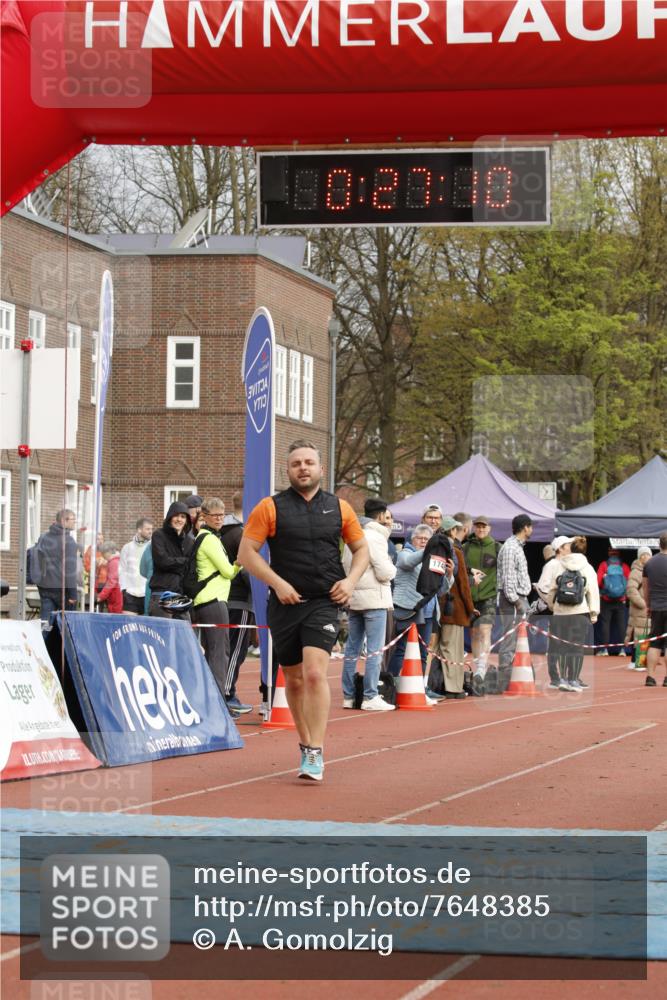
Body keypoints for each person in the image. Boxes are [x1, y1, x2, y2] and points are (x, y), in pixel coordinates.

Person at [239, 439, 368, 782]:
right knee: (293, 679)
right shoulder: (270, 507)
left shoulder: (340, 508)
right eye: (297, 463)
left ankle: (316, 750)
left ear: (320, 469)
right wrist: (277, 583)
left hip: (324, 601)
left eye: (309, 462)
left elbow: (362, 550)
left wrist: (351, 582)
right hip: (284, 603)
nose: (303, 468)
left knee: (314, 673)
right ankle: (305, 742)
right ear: (288, 470)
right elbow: (246, 554)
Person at [341, 498, 396, 711]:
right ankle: (370, 695)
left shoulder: (352, 533)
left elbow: (347, 565)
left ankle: (348, 695)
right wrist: (393, 569)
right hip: (374, 598)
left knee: (352, 648)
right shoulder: (375, 536)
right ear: (381, 515)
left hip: (355, 597)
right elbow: (384, 571)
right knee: (374, 650)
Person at [388, 524, 453, 698]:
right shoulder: (405, 553)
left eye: (427, 539)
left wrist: (448, 574)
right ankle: (391, 686)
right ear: (412, 539)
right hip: (407, 608)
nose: (424, 542)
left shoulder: (432, 558)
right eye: (420, 538)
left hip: (428, 611)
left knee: (423, 653)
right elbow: (407, 563)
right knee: (401, 649)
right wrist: (430, 550)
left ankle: (420, 689)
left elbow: (441, 590)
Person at [190, 497, 242, 706]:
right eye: (215, 515)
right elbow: (228, 572)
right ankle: (218, 703)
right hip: (213, 600)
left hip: (205, 600)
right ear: (205, 517)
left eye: (222, 514)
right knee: (220, 652)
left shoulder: (203, 537)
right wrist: (239, 563)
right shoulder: (210, 539)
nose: (220, 519)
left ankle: (209, 700)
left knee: (212, 651)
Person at [540, 536, 599, 691]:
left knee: (561, 646)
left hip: (560, 613)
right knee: (577, 647)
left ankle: (562, 679)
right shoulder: (587, 567)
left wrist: (553, 606)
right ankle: (573, 679)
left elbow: (552, 589)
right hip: (579, 612)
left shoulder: (560, 565)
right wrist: (594, 613)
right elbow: (593, 591)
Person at [219, 502, 255, 715]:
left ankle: (225, 692)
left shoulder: (224, 533)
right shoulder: (240, 535)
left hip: (226, 597)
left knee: (227, 649)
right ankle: (227, 694)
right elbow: (245, 566)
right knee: (236, 651)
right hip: (240, 600)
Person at [436, 515, 477, 698]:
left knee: (438, 648)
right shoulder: (455, 551)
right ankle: (453, 687)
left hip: (436, 606)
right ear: (453, 530)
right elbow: (463, 585)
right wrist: (470, 608)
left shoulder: (435, 548)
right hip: (454, 608)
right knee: (452, 649)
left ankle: (437, 684)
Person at [495, 514, 534, 694]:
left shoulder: (515, 546)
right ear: (525, 527)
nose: (531, 530)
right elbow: (508, 578)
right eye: (530, 526)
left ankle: (517, 677)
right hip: (512, 600)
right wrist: (517, 601)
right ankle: (504, 681)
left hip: (517, 598)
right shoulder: (511, 548)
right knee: (510, 640)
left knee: (518, 640)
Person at [463, 516, 500, 684]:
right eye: (478, 526)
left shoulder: (497, 548)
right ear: (473, 528)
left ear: (489, 528)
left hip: (488, 597)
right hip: (469, 597)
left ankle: (481, 668)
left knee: (485, 630)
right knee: (474, 633)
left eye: (484, 526)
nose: (481, 529)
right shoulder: (465, 547)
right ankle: (477, 666)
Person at [35, 509, 79, 632]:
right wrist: (73, 594)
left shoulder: (43, 537)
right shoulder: (69, 541)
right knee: (66, 626)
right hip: (62, 590)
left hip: (45, 588)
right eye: (73, 520)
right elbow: (70, 570)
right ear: (63, 521)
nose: (75, 522)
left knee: (45, 624)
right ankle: (62, 650)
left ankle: (42, 647)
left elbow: (37, 559)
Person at [148, 501, 193, 618]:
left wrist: (175, 563)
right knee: (162, 635)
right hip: (162, 593)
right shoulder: (159, 535)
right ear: (169, 517)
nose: (179, 519)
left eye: (183, 516)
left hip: (180, 595)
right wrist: (184, 561)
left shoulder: (189, 541)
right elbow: (162, 561)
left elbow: (190, 567)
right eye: (176, 515)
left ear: (187, 520)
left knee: (184, 633)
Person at [642, 533, 667, 688]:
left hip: (656, 606)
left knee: (655, 643)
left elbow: (645, 587)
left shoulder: (649, 563)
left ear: (659, 544)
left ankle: (650, 676)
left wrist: (648, 604)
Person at [596, 547, 630, 655]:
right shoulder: (624, 566)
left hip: (606, 599)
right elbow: (628, 583)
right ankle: (623, 650)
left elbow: (598, 582)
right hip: (621, 600)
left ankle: (604, 650)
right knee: (622, 625)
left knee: (605, 624)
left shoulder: (603, 565)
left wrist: (606, 589)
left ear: (609, 553)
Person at [625, 546, 652, 671]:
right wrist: (644, 604)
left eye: (648, 554)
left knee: (642, 634)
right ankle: (639, 663)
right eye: (644, 555)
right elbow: (631, 591)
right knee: (641, 634)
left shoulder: (650, 570)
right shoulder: (636, 572)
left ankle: (634, 661)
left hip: (645, 609)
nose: (646, 557)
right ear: (639, 557)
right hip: (640, 609)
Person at [119, 517, 153, 615]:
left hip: (147, 594)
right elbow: (121, 570)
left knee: (146, 628)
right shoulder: (127, 548)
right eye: (147, 529)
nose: (150, 531)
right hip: (130, 595)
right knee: (129, 627)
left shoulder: (153, 546)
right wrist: (124, 589)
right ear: (139, 530)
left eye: (151, 529)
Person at [96, 542, 123, 613]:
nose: (102, 556)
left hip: (116, 598)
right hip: (117, 596)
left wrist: (101, 596)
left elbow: (112, 582)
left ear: (108, 552)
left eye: (103, 553)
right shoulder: (117, 560)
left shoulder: (113, 562)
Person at [83, 532, 106, 608]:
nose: (100, 541)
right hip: (94, 582)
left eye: (101, 539)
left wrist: (106, 562)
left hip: (106, 582)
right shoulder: (90, 551)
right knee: (94, 604)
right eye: (98, 539)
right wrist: (95, 564)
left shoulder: (107, 550)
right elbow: (86, 567)